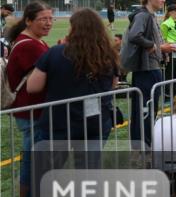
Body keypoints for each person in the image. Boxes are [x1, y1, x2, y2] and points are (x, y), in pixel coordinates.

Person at [26, 9, 118, 171]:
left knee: (45, 176)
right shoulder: (108, 54)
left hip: (59, 122)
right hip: (95, 122)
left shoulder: (55, 52)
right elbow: (112, 84)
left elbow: (32, 87)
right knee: (88, 175)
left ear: (74, 29)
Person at [3, 2, 52, 197]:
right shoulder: (29, 46)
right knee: (33, 165)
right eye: (43, 18)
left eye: (50, 18)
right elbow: (40, 80)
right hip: (31, 111)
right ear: (29, 20)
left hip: (33, 111)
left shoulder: (35, 42)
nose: (48, 22)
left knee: (35, 162)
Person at [121, 0, 176, 147]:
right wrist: (156, 46)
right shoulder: (144, 15)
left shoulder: (149, 15)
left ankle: (143, 145)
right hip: (147, 70)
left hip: (149, 69)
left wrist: (162, 48)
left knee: (145, 109)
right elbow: (134, 36)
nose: (163, 0)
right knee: (146, 110)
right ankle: (143, 147)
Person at [161, 4, 176, 97]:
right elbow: (164, 38)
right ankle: (167, 93)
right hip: (170, 50)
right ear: (171, 12)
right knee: (169, 72)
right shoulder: (165, 24)